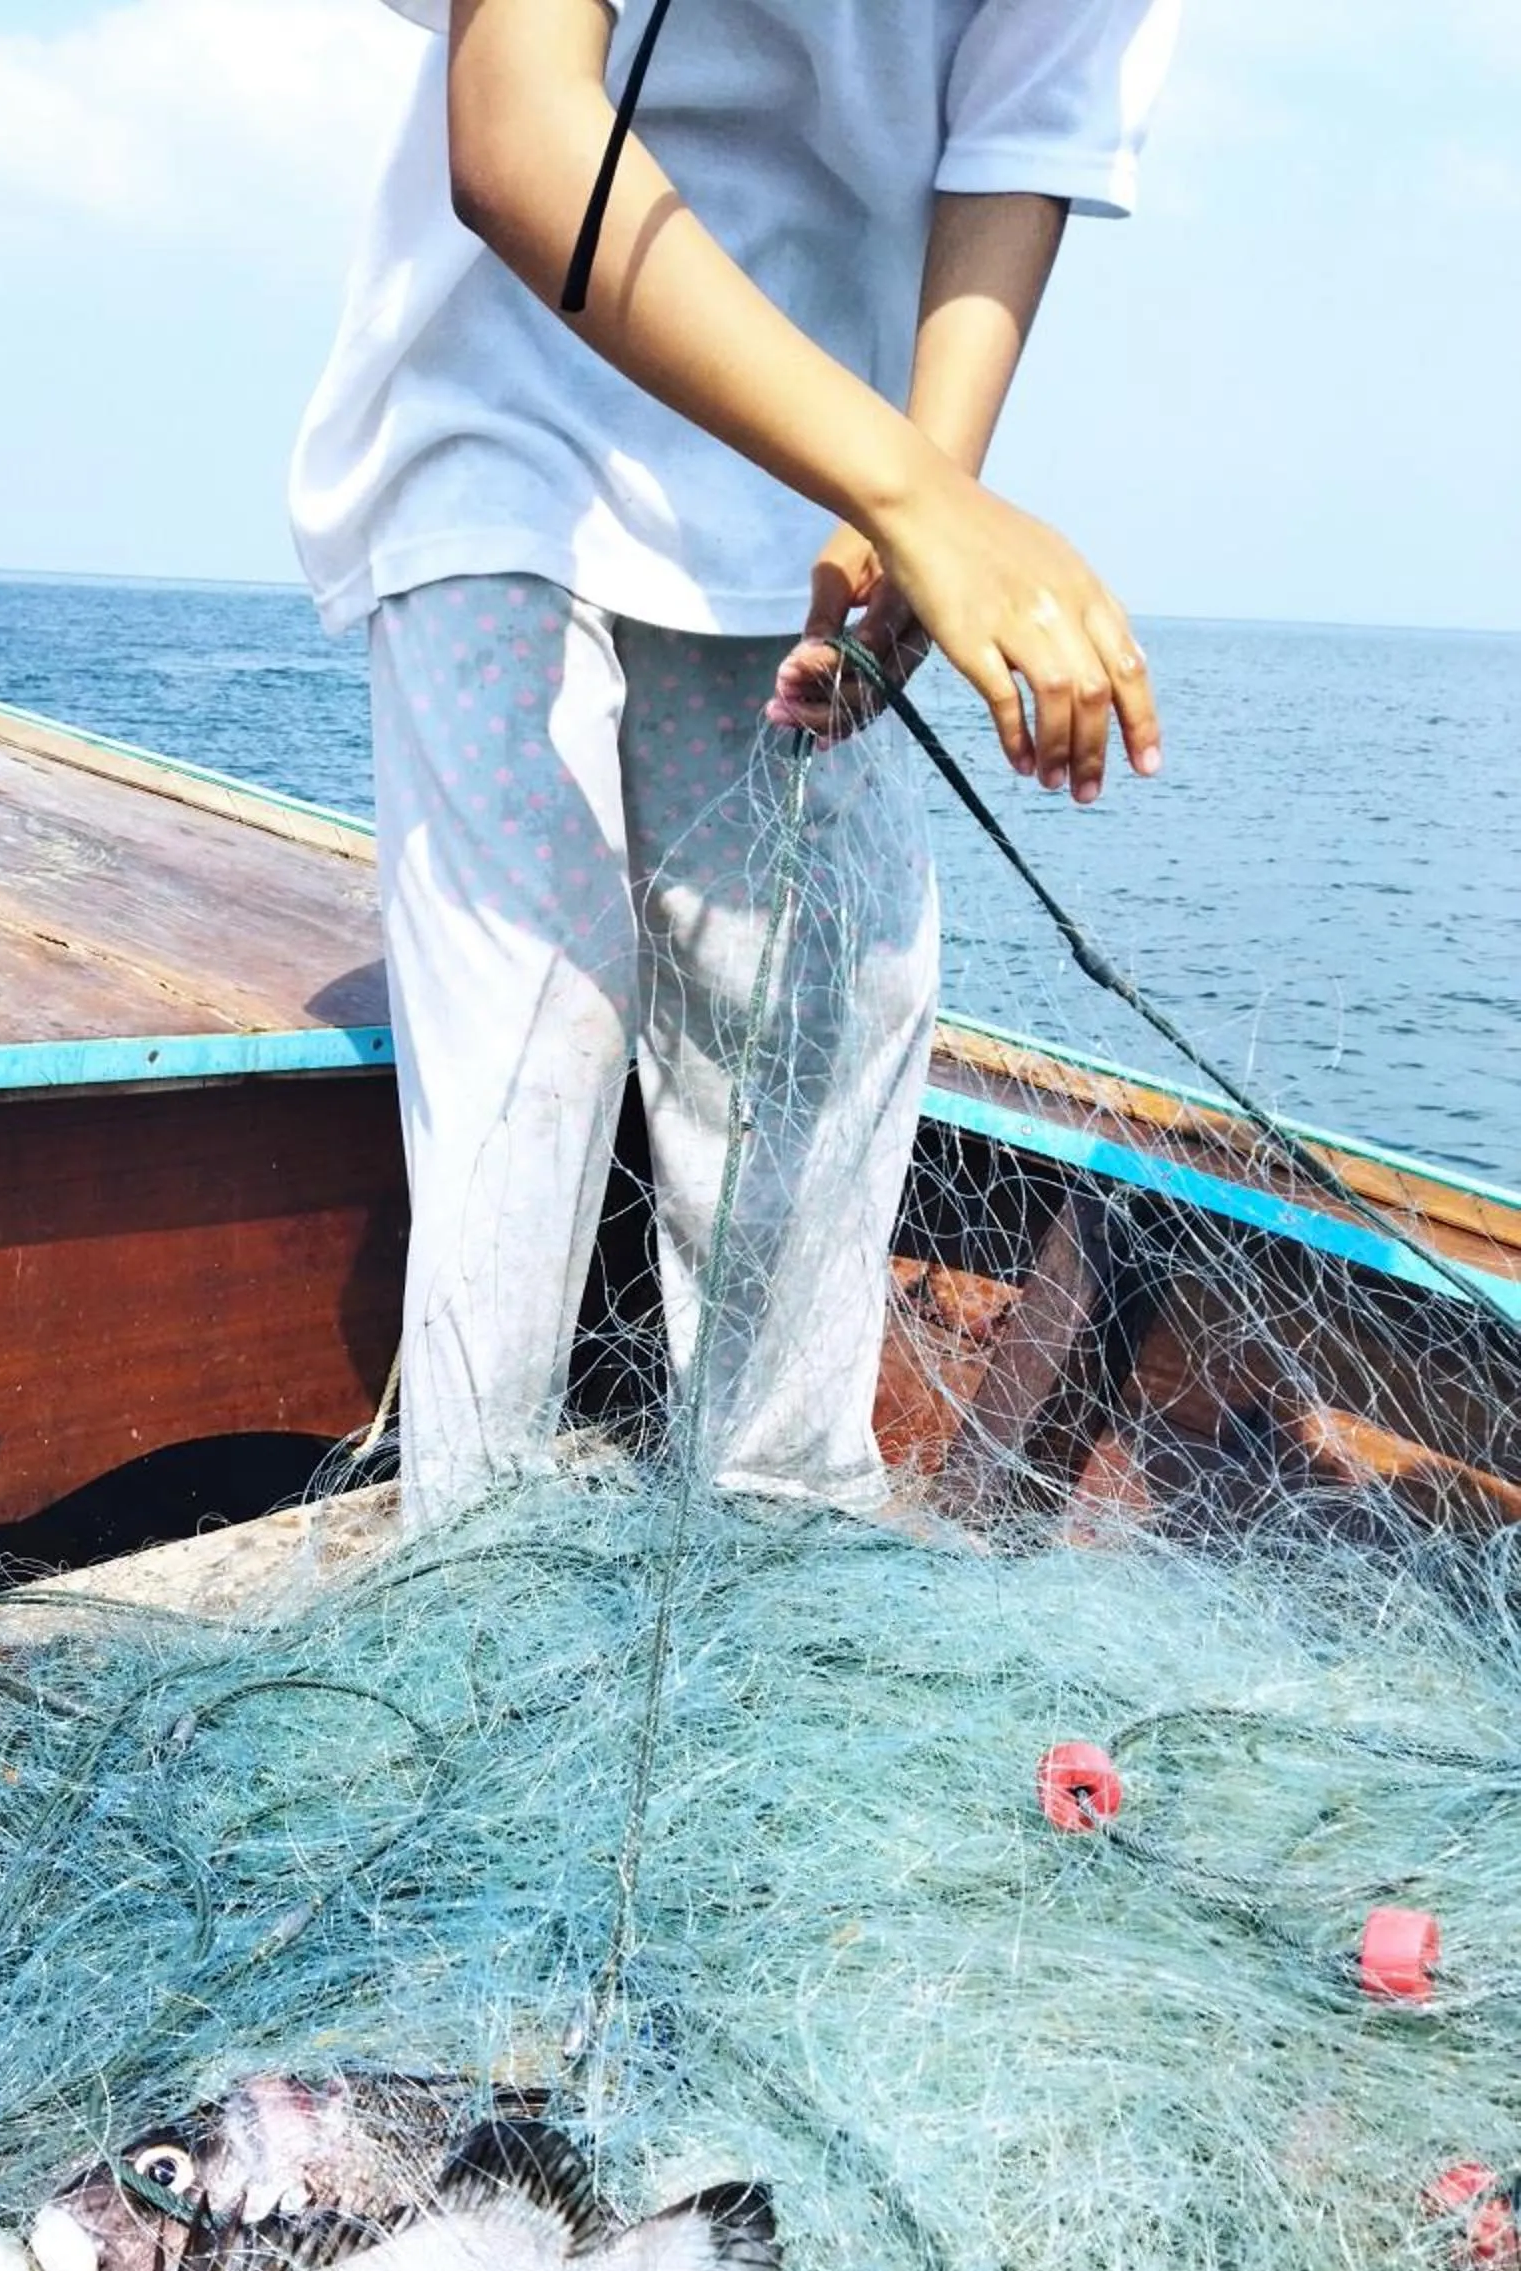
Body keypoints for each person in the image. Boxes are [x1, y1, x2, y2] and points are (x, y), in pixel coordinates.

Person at [291, 0, 1181, 1524]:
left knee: (823, 1010)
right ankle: (476, 1544)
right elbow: (514, 137)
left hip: (809, 466)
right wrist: (921, 496)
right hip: (496, 422)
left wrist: (914, 498)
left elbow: (1013, 145)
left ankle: (781, 1537)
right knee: (535, 1019)